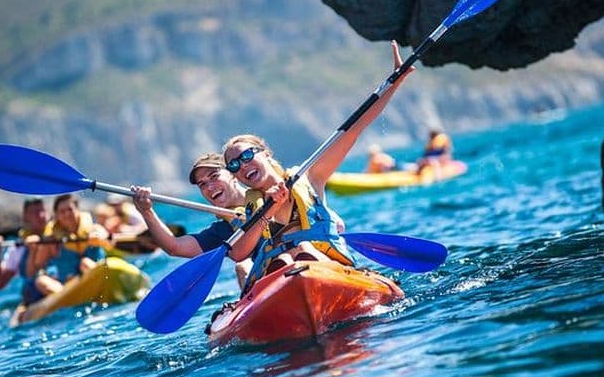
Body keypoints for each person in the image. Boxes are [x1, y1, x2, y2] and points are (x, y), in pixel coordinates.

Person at [224, 40, 415, 289]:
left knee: (303, 249)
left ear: (266, 153)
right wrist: (268, 210)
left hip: (323, 267)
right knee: (280, 259)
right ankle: (289, 276)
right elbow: (238, 254)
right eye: (234, 166)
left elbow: (353, 129)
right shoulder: (250, 211)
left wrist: (394, 81)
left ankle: (301, 270)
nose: (242, 166)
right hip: (278, 280)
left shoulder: (310, 177)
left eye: (247, 155)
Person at [130, 153, 254, 289]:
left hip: (281, 261)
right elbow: (174, 247)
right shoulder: (222, 231)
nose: (210, 187)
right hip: (263, 279)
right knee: (243, 267)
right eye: (202, 184)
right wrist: (146, 211)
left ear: (232, 174)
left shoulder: (269, 195)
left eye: (214, 177)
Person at [0, 198, 61, 304]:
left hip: (59, 284)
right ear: (25, 217)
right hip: (35, 299)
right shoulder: (18, 248)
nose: (41, 215)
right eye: (35, 213)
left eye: (43, 211)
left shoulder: (60, 234)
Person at [29, 194, 108, 283]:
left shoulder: (94, 229)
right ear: (57, 216)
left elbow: (105, 236)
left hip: (96, 277)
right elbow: (34, 270)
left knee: (85, 263)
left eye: (70, 209)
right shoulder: (52, 240)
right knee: (41, 281)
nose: (67, 214)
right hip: (68, 286)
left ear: (78, 210)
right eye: (62, 211)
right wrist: (33, 250)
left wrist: (100, 237)